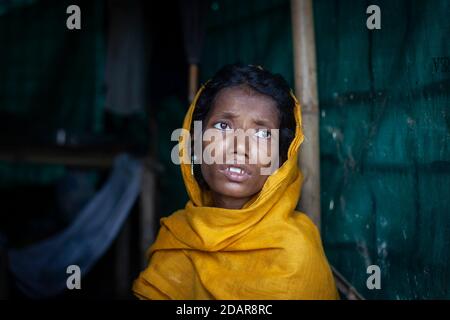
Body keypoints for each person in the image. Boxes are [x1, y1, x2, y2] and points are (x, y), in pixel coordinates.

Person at [133, 64, 339, 299]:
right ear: (195, 141)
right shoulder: (177, 236)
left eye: (262, 134)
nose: (239, 147)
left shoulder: (294, 253)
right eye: (223, 126)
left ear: (283, 157)